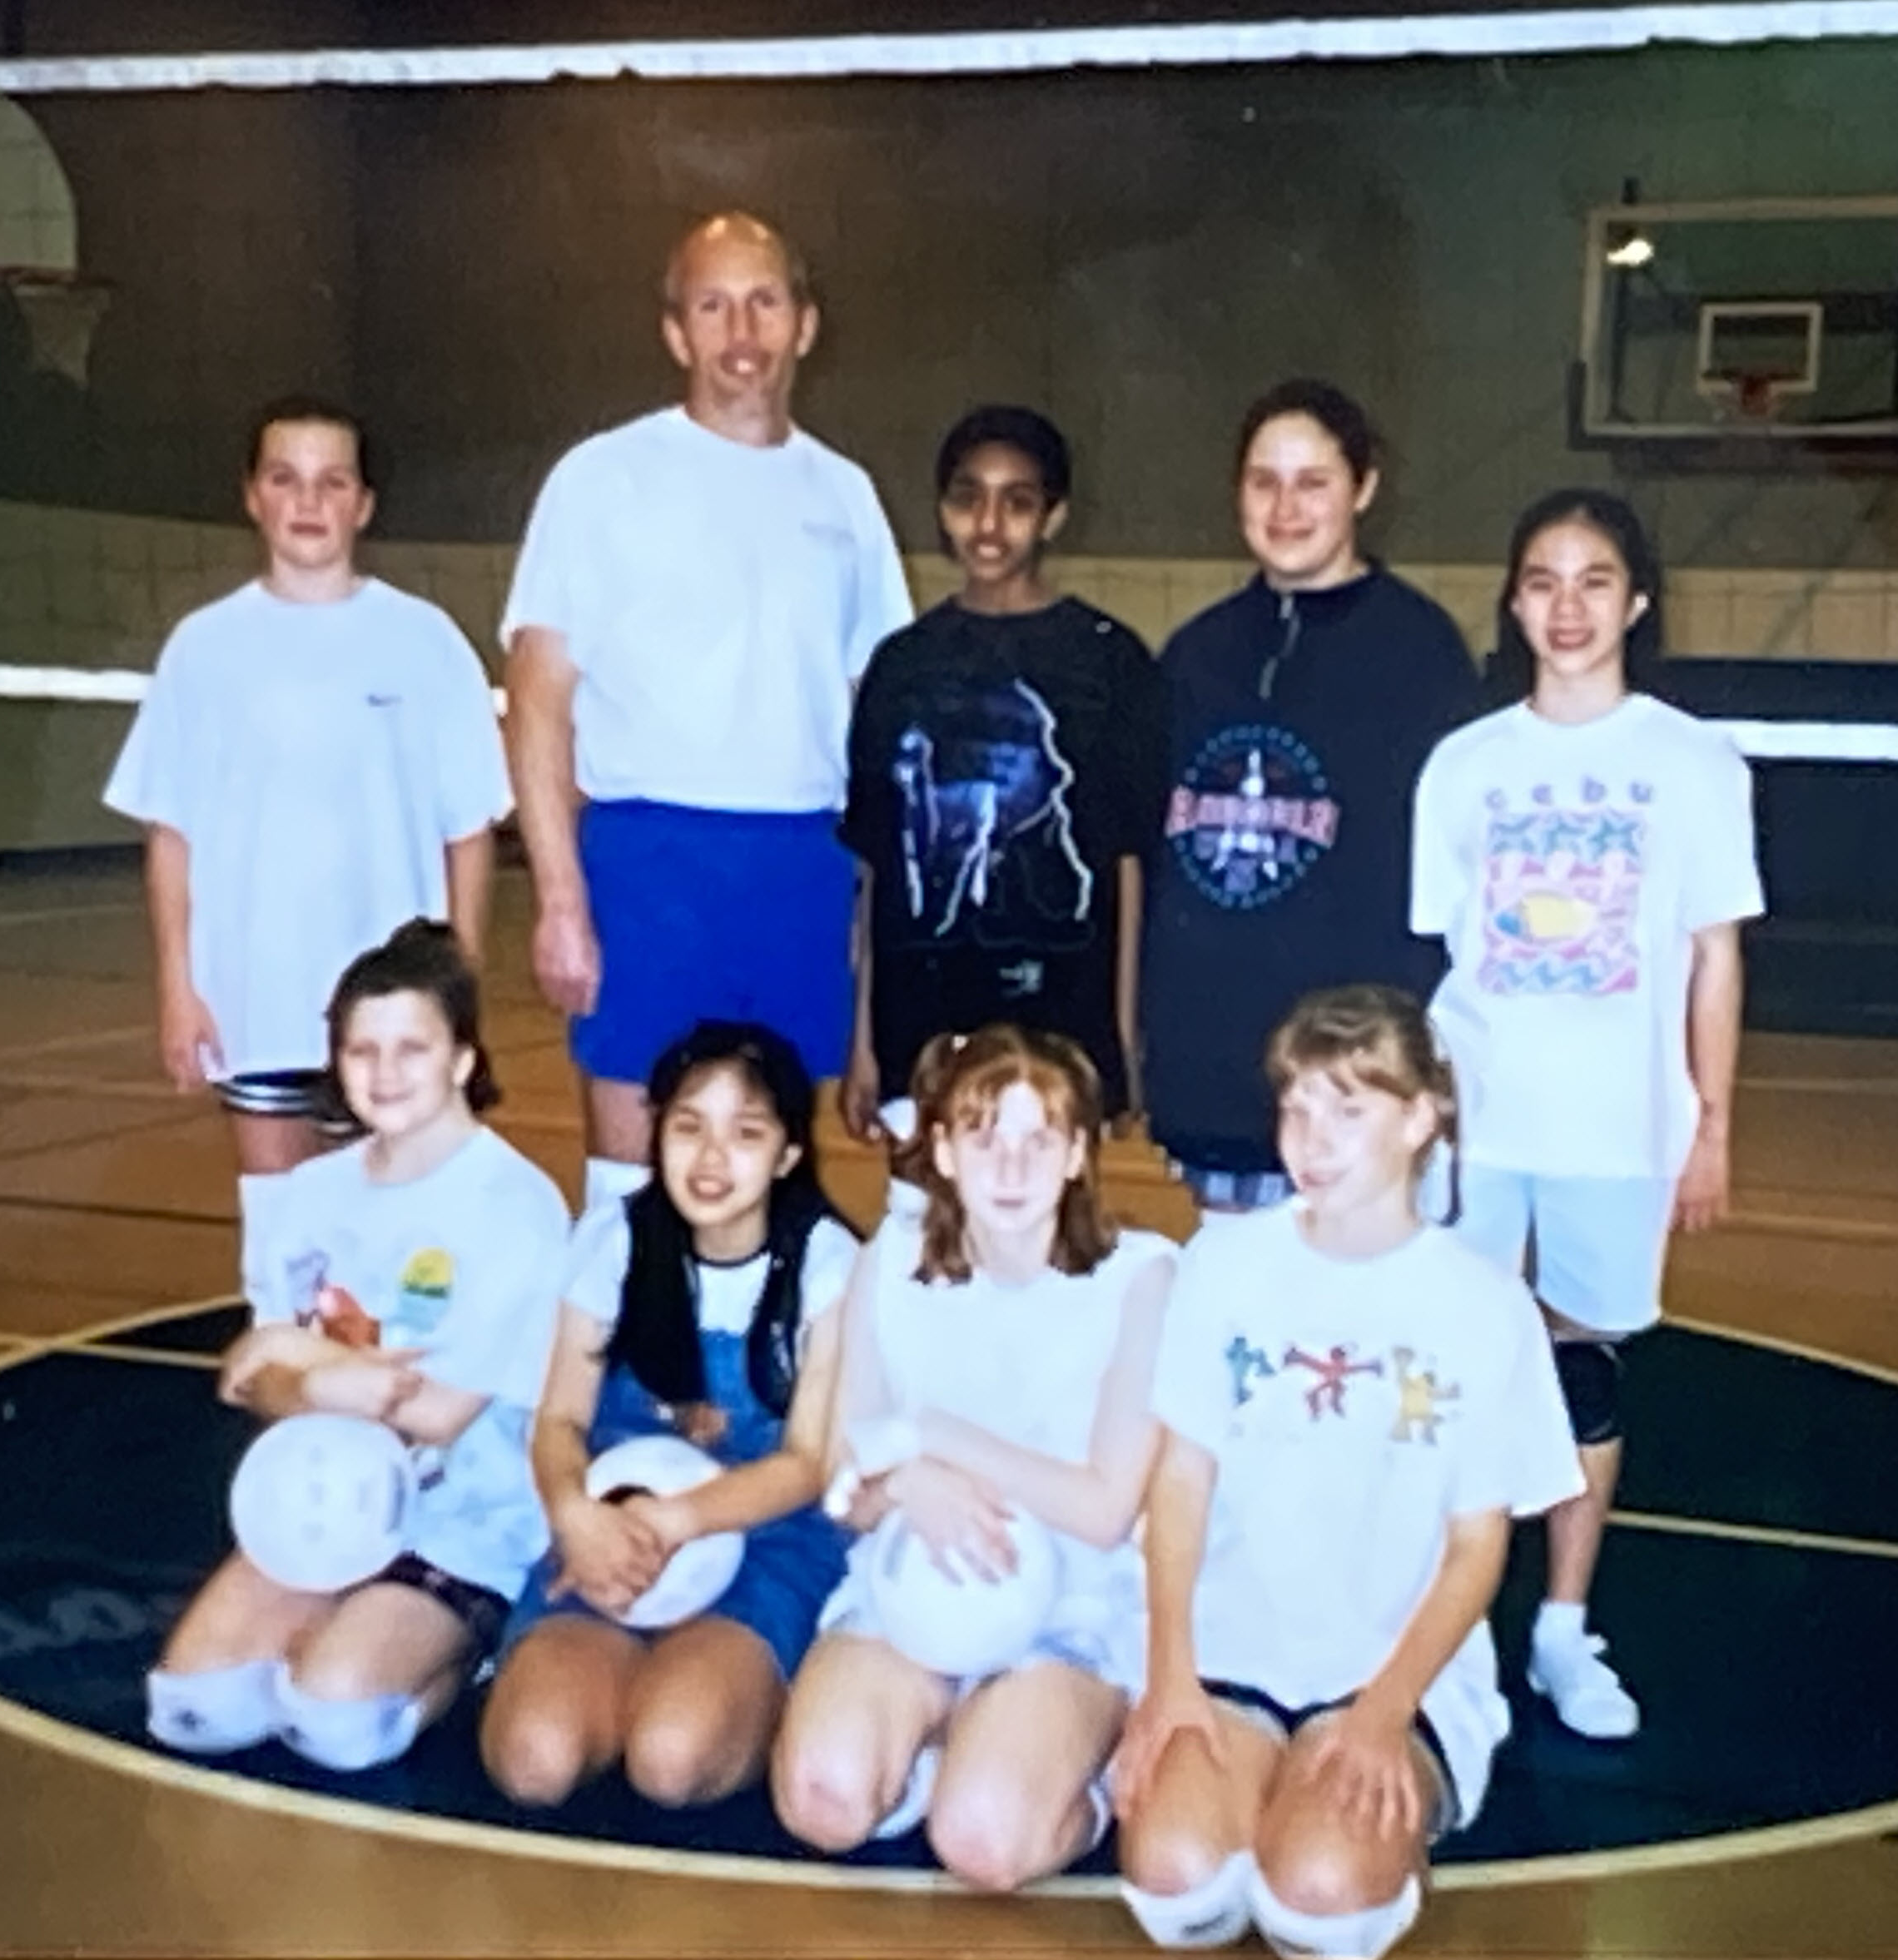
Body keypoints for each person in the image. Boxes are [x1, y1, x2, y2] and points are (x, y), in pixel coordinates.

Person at [1111, 986, 1582, 1958]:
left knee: (1315, 1904)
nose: (1311, 1140)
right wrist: (1168, 1679)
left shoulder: (1485, 1308)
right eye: (1297, 1107)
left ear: (1422, 1118)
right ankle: (1262, 1786)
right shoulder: (1225, 1264)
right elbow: (1178, 1485)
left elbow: (1475, 1548)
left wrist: (1381, 1716)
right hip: (1231, 1656)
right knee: (1177, 1891)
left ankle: (1373, 1846)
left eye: (1348, 1109)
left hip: (1389, 1676)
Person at [1410, 487, 1764, 1742]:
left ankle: (1559, 1625)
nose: (1566, 606)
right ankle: (1428, 1629)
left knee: (1577, 1371)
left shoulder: (1692, 762)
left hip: (1616, 1128)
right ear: (1512, 602)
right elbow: (1431, 969)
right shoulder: (1464, 765)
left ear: (1635, 600)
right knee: (1446, 1367)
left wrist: (1708, 1126)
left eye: (1593, 579)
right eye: (1542, 580)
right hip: (1475, 1125)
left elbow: (1713, 960)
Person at [500, 211, 913, 1218]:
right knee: (632, 1172)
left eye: (764, 301)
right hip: (650, 863)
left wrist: (873, 912)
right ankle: (625, 1377)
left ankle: (757, 1374)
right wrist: (560, 898)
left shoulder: (847, 498)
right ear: (677, 332)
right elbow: (538, 702)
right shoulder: (602, 480)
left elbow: (878, 711)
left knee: (769, 1163)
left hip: (798, 862)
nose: (742, 331)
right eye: (714, 305)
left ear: (805, 324)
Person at [103, 396, 510, 1301]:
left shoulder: (425, 641)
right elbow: (171, 833)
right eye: (285, 478)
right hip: (255, 995)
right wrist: (177, 986)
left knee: (389, 1229)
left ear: (364, 504)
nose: (309, 501)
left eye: (333, 481)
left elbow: (469, 831)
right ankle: (293, 1410)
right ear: (253, 496)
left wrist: (463, 979)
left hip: (391, 1004)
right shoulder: (203, 648)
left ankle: (395, 1413)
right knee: (281, 1235)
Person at [142, 920, 569, 1772]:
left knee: (334, 1727)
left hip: (458, 1527)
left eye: (412, 1049)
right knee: (190, 1710)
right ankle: (330, 1620)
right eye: (360, 1051)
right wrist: (325, 1386)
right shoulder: (308, 1194)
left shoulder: (515, 1205)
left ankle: (464, 1655)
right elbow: (250, 1380)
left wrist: (301, 1366)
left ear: (462, 1061)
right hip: (320, 1510)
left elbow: (440, 1414)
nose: (384, 1075)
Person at [773, 1025, 1174, 1892]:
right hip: (913, 1582)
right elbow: (848, 1489)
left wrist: (931, 1439)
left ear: (1077, 1155)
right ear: (944, 1152)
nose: (1013, 1167)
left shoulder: (1140, 1278)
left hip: (1070, 1605)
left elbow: (1106, 1509)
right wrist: (905, 1481)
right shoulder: (892, 1262)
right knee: (821, 1801)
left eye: (1041, 1141)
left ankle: (1075, 1777)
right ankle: (947, 1735)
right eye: (986, 1138)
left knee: (986, 1845)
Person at [478, 1020, 859, 1811]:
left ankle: (756, 1689)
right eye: (688, 1126)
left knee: (671, 1759)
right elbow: (559, 1424)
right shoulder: (614, 1239)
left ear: (788, 1153)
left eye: (745, 1132)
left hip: (760, 1542)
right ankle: (604, 1674)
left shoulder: (826, 1259)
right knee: (532, 1760)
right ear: (656, 1133)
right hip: (610, 1538)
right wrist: (575, 1515)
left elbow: (808, 1462)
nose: (711, 1157)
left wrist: (678, 1522)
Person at [1141, 379, 1480, 1217]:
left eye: (1313, 482)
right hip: (1217, 1062)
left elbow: (1456, 868)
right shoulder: (1196, 653)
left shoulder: (1421, 654)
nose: (1286, 507)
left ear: (1363, 489)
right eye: (1264, 481)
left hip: (1357, 1070)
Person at [839, 405, 1166, 1152]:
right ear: (941, 508)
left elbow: (1126, 866)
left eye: (1017, 500)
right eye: (967, 496)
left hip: (1059, 1022)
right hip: (918, 1025)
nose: (988, 523)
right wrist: (863, 1041)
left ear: (1053, 516)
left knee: (1043, 1241)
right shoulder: (900, 665)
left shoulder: (1111, 660)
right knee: (928, 1238)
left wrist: (1118, 1041)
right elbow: (874, 868)